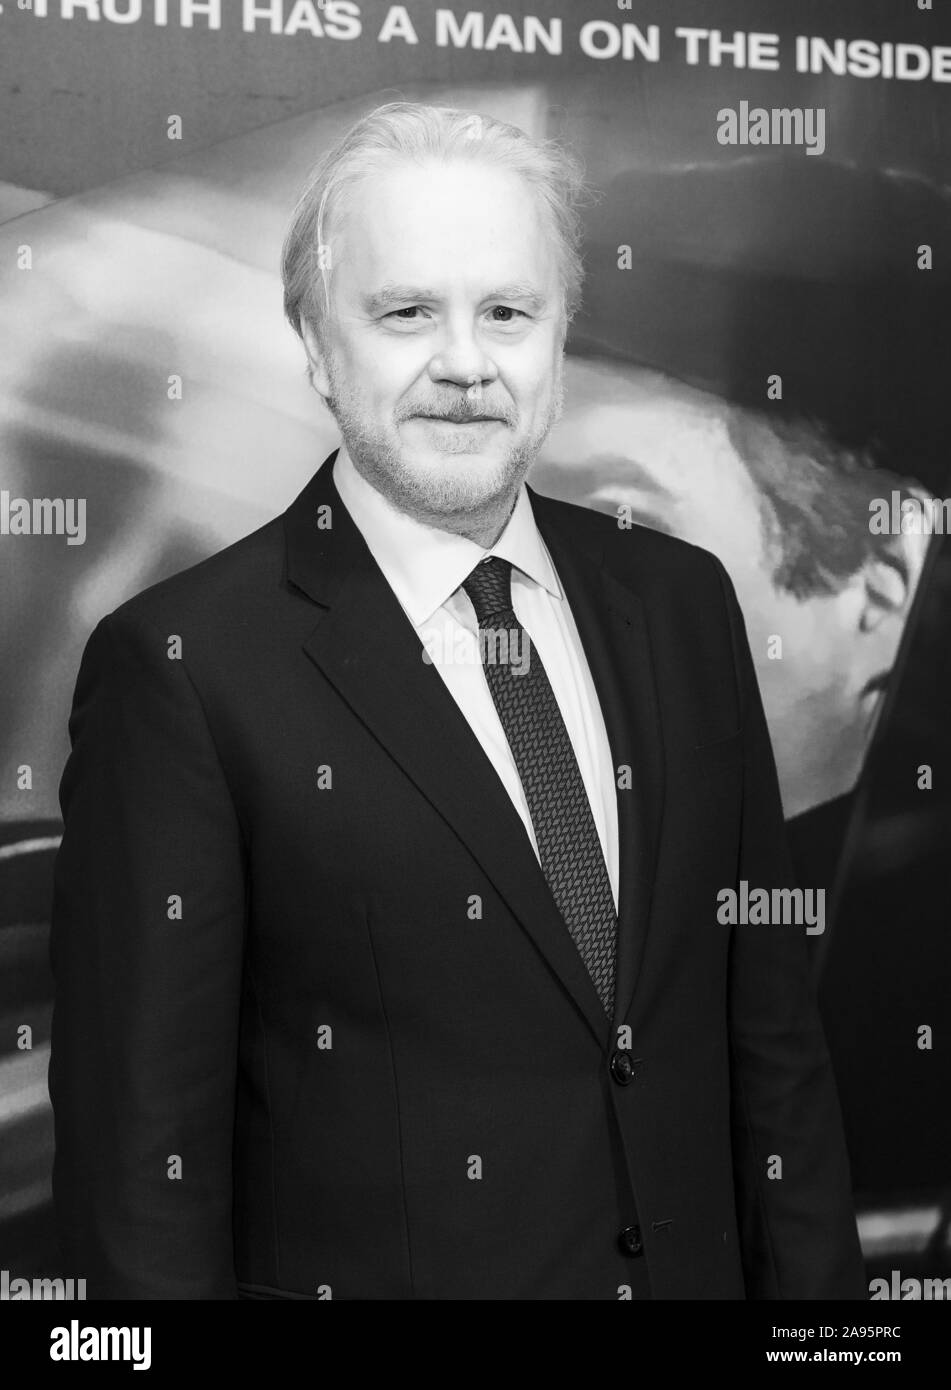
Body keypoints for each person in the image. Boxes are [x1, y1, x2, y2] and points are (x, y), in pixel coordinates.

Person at [48, 101, 865, 1301]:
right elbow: (142, 1166)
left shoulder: (681, 604)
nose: (467, 363)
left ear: (560, 338)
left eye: (508, 313)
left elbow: (773, 1051)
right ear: (317, 347)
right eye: (406, 313)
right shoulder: (181, 667)